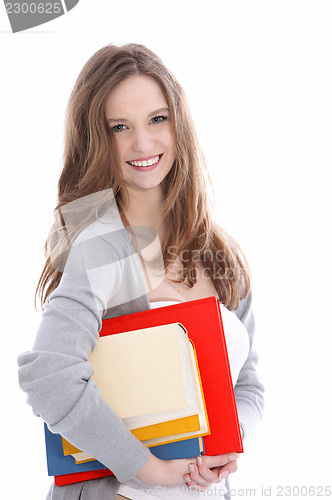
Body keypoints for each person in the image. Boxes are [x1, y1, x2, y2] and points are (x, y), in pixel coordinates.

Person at [18, 43, 264, 500]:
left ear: (178, 123)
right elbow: (50, 377)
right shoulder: (98, 247)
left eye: (157, 119)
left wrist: (232, 444)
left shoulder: (221, 252)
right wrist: (151, 469)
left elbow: (247, 384)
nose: (143, 143)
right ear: (97, 138)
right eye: (119, 127)